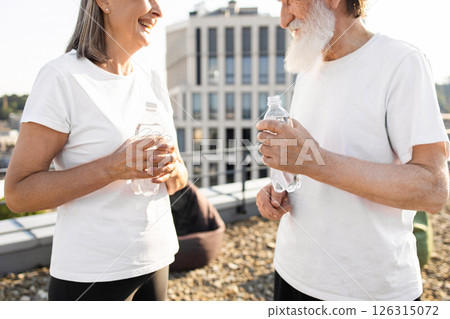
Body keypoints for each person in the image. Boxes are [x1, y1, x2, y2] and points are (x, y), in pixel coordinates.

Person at [256, 0, 449, 301]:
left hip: (369, 291)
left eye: (290, 2)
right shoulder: (308, 70)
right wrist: (279, 190)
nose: (283, 19)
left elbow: (433, 190)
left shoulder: (401, 61)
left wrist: (314, 162)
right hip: (291, 273)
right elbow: (313, 162)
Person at [5, 0, 188, 301]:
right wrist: (112, 167)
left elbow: (179, 175)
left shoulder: (152, 76)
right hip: (91, 275)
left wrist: (172, 169)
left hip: (157, 259)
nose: (158, 10)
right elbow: (18, 193)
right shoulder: (61, 77)